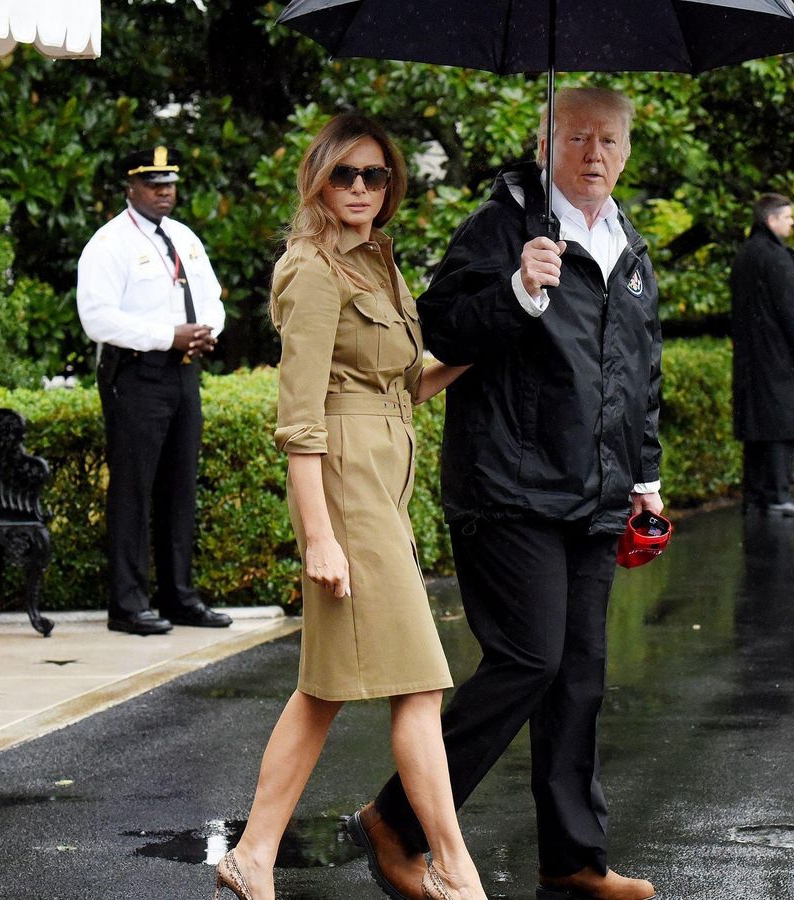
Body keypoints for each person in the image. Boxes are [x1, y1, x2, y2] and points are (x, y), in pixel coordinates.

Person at [351, 87, 662, 900]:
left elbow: (639, 373)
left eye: (609, 140)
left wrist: (644, 477)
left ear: (628, 152)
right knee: (529, 659)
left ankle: (573, 860)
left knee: (579, 677)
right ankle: (396, 821)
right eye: (577, 137)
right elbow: (440, 327)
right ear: (545, 143)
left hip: (595, 494)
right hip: (508, 487)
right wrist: (519, 291)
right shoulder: (501, 227)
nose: (594, 153)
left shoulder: (628, 245)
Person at [211, 114, 486, 900]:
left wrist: (503, 325)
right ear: (319, 180)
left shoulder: (380, 262)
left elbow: (407, 385)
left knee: (325, 688)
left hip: (384, 484)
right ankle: (453, 869)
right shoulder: (311, 269)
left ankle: (253, 855)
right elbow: (300, 421)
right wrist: (318, 538)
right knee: (420, 683)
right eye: (345, 174)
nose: (361, 188)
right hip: (345, 488)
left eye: (375, 175)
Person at [77, 147, 233, 635]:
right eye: (153, 184)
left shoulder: (184, 237)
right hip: (137, 374)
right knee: (133, 489)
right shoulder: (109, 243)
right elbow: (97, 318)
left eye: (170, 183)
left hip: (184, 372)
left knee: (179, 487)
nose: (164, 192)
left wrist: (208, 330)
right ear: (130, 188)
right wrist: (169, 335)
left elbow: (211, 297)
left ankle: (179, 598)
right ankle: (128, 605)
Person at [729, 193, 794, 518]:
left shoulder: (745, 255)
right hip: (779, 357)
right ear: (771, 220)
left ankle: (755, 496)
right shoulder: (777, 258)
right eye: (788, 217)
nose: (792, 223)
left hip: (750, 358)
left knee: (756, 428)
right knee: (782, 426)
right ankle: (778, 494)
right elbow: (791, 311)